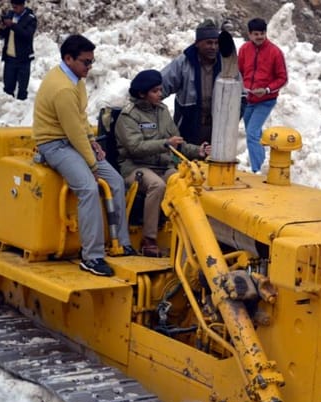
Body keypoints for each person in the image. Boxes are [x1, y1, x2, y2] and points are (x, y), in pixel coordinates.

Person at [33, 34, 137, 277]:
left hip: (74, 140)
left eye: (92, 62)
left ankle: (121, 242)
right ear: (68, 59)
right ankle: (92, 256)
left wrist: (92, 142)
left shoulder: (76, 80)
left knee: (115, 181)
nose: (89, 67)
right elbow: (72, 130)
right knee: (88, 188)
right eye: (85, 62)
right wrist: (92, 163)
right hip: (54, 144)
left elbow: (80, 119)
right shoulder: (62, 88)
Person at [115, 69, 211, 257]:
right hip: (135, 167)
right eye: (155, 91)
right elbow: (135, 147)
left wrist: (198, 151)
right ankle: (149, 239)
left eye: (160, 90)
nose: (160, 94)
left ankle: (187, 233)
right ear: (142, 94)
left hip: (163, 166)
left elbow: (177, 143)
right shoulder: (128, 116)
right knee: (157, 186)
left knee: (184, 182)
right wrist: (165, 144)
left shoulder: (162, 111)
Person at [160, 19, 222, 146]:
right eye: (209, 43)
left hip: (217, 129)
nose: (213, 47)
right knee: (186, 157)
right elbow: (160, 86)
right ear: (197, 43)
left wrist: (232, 119)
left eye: (216, 43)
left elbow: (241, 95)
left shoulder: (226, 63)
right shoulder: (184, 63)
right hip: (188, 126)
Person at [238, 18, 288, 173]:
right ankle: (263, 164)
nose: (260, 36)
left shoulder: (275, 52)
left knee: (252, 132)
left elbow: (282, 78)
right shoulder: (244, 49)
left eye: (262, 33)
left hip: (266, 100)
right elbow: (239, 71)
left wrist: (266, 89)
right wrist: (241, 87)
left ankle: (257, 170)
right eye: (256, 34)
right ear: (250, 34)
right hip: (249, 99)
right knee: (254, 133)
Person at [0, 0, 37, 100]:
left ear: (22, 5)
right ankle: (8, 106)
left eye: (16, 7)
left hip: (23, 59)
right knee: (8, 88)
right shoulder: (10, 15)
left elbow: (27, 35)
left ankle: (21, 106)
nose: (14, 10)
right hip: (10, 58)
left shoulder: (30, 18)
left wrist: (12, 25)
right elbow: (3, 35)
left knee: (22, 88)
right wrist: (2, 28)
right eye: (13, 7)